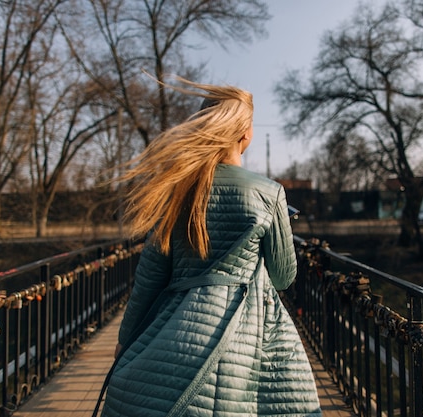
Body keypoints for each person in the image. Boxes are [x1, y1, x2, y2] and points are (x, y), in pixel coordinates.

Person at [100, 77, 322, 417]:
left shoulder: (177, 191)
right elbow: (283, 276)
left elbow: (150, 276)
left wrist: (125, 339)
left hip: (174, 327)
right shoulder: (269, 192)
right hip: (244, 337)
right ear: (245, 134)